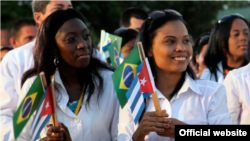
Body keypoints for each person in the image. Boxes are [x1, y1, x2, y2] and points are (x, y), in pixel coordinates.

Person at [118, 9, 231, 141]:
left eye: (186, 41)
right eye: (170, 41)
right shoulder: (133, 96)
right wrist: (139, 134)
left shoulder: (212, 92)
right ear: (149, 49)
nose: (181, 48)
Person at [10, 9, 119, 141]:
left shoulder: (109, 80)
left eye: (86, 36)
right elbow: (18, 138)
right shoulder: (35, 86)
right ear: (53, 48)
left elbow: (123, 135)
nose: (83, 44)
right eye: (71, 39)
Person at [0, 0, 73, 139]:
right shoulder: (15, 59)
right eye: (58, 8)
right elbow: (5, 113)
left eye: (70, 8)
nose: (66, 14)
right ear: (38, 17)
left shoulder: (89, 55)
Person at [201, 14, 249, 83]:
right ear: (222, 41)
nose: (243, 38)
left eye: (246, 33)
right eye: (236, 34)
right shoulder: (208, 76)